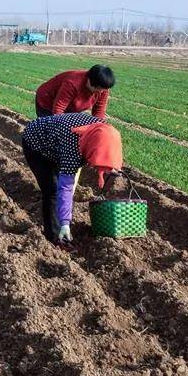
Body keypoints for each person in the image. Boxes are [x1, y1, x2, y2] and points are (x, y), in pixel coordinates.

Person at [21, 113, 123, 245]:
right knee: (52, 190)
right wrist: (65, 223)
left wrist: (112, 165)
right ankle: (55, 236)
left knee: (59, 186)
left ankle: (62, 223)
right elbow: (66, 187)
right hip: (36, 142)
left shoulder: (105, 133)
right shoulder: (72, 148)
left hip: (57, 140)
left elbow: (109, 151)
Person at [35, 65, 115, 118]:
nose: (101, 92)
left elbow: (99, 111)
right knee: (50, 132)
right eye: (98, 89)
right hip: (47, 102)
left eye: (103, 90)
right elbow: (58, 110)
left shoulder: (103, 87)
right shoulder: (73, 83)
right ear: (90, 81)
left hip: (70, 108)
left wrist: (99, 128)